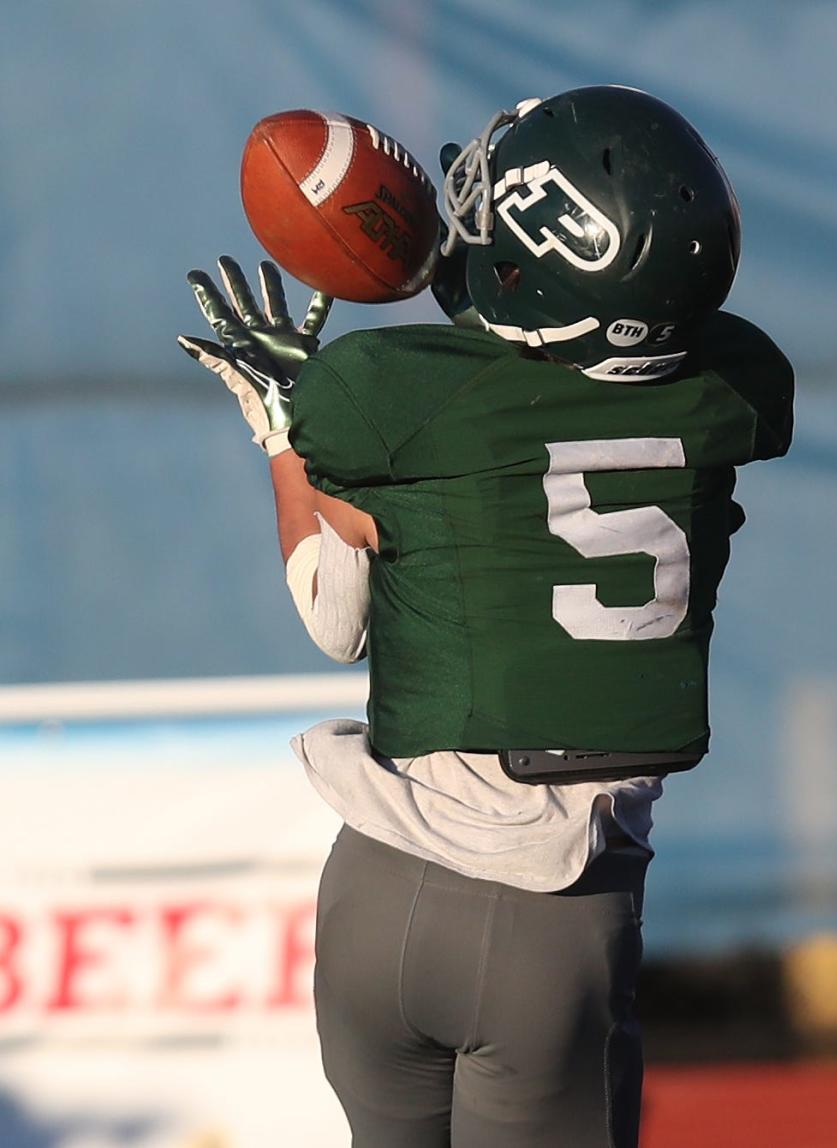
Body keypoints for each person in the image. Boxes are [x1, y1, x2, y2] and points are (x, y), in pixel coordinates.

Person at [180, 85, 793, 1148]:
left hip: (372, 893)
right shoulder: (733, 392)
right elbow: (629, 367)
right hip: (551, 916)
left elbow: (335, 619)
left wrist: (284, 428)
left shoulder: (398, 397)